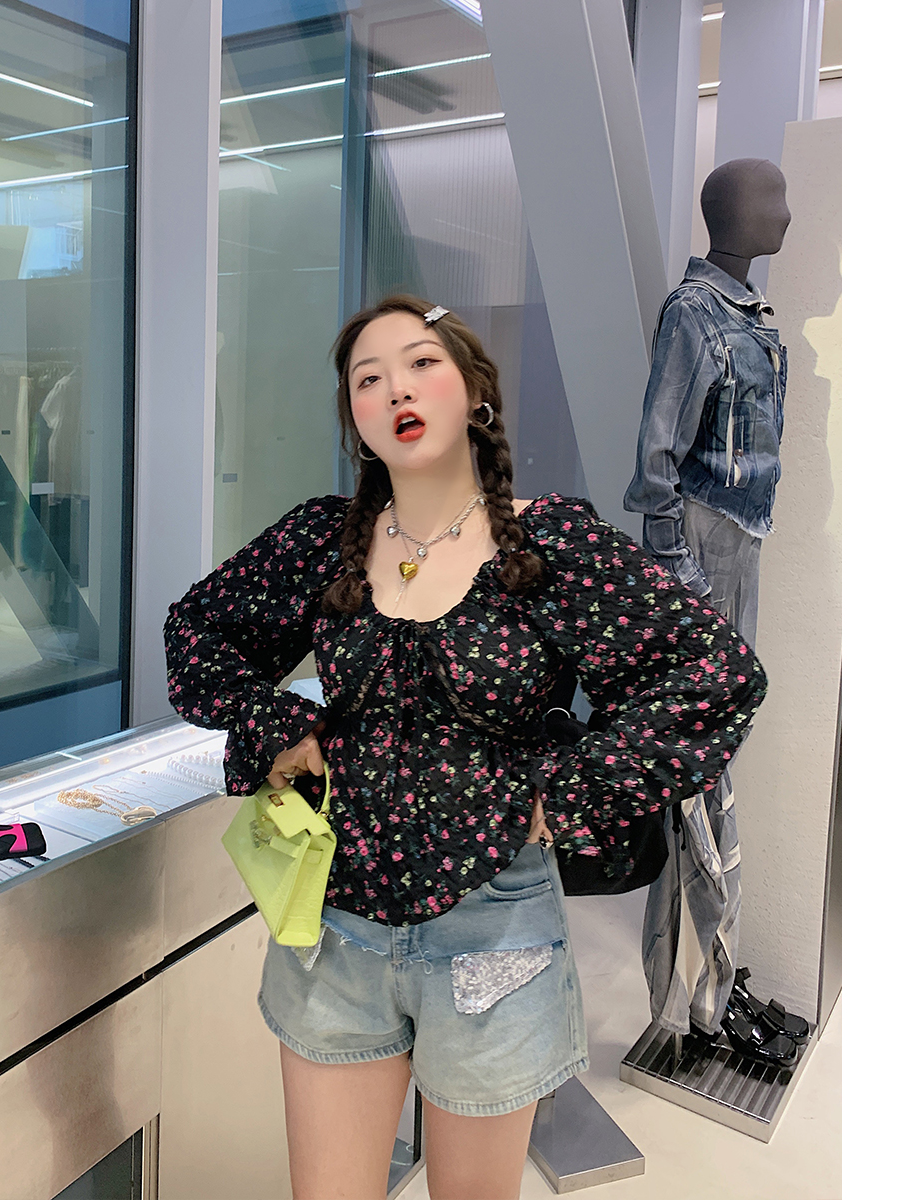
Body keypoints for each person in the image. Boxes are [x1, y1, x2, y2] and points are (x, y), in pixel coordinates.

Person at [164, 295, 766, 1200]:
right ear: (357, 421)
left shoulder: (548, 543)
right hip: (335, 930)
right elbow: (196, 631)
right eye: (368, 380)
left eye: (421, 363)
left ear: (475, 393)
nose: (396, 389)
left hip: (495, 930)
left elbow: (717, 673)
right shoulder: (325, 540)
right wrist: (275, 724)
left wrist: (569, 789)